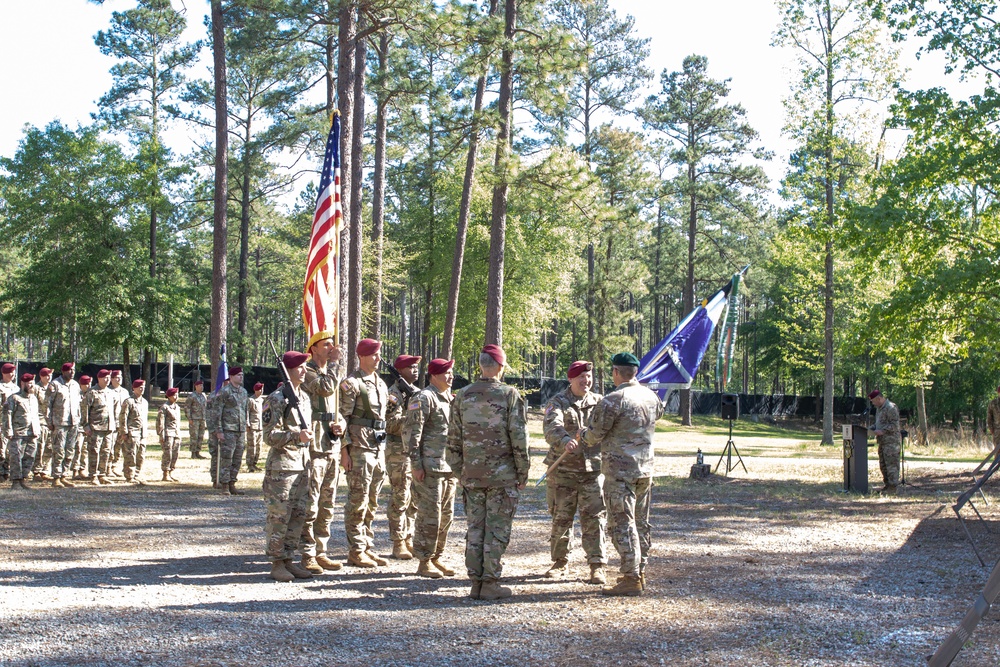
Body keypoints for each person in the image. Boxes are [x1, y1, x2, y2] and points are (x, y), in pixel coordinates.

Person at [447, 344, 529, 601]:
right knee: (496, 528)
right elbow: (519, 436)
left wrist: (460, 470)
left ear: (481, 366)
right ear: (501, 367)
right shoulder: (509, 394)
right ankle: (490, 582)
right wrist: (522, 471)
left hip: (472, 475)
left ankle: (476, 582)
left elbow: (452, 439)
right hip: (501, 477)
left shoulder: (463, 394)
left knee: (475, 529)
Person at [579, 352, 663, 597]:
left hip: (620, 472)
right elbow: (658, 416)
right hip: (644, 469)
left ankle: (630, 576)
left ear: (616, 372)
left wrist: (583, 434)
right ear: (634, 372)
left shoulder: (613, 400)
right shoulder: (651, 396)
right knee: (641, 522)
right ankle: (641, 568)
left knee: (622, 524)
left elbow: (594, 435)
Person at [542, 360, 607, 584]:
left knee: (595, 519)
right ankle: (560, 562)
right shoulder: (558, 401)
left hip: (592, 472)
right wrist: (565, 440)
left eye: (589, 377)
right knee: (561, 518)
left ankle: (597, 565)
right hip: (563, 473)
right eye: (581, 377)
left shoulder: (600, 402)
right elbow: (551, 427)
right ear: (571, 379)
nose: (586, 381)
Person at [262, 350, 315, 582]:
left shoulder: (304, 397)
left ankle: (289, 560)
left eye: (305, 367)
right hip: (282, 468)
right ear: (289, 370)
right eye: (300, 367)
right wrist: (296, 437)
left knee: (298, 515)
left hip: (302, 465)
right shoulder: (276, 399)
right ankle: (276, 563)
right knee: (279, 517)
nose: (304, 371)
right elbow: (269, 435)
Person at [339, 338, 390, 568]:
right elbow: (342, 418)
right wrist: (344, 451)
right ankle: (356, 550)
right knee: (357, 501)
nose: (378, 359)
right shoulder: (351, 383)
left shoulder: (380, 383)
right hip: (359, 449)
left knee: (372, 502)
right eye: (374, 355)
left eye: (379, 354)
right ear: (362, 356)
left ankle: (367, 545)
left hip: (378, 449)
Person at [299, 334, 347, 575]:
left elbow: (340, 407)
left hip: (332, 443)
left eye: (332, 344)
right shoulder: (307, 372)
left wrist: (342, 424)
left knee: (328, 503)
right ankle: (306, 553)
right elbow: (325, 389)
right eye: (326, 345)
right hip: (315, 445)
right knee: (312, 502)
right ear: (313, 349)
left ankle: (321, 550)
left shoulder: (333, 373)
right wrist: (336, 364)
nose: (331, 348)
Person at [405, 357, 457, 579]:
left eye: (451, 372)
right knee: (429, 515)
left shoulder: (449, 399)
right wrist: (416, 464)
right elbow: (412, 434)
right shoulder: (424, 398)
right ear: (434, 375)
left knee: (446, 516)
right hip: (429, 468)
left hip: (448, 467)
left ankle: (436, 556)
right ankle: (424, 560)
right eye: (446, 372)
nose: (451, 376)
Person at [386, 353, 421, 560]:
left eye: (417, 367)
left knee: (414, 498)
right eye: (411, 367)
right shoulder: (393, 394)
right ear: (400, 370)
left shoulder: (416, 392)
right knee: (400, 496)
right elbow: (389, 424)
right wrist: (412, 416)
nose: (415, 370)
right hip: (398, 452)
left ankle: (409, 536)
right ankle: (398, 541)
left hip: (414, 451)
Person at [207, 368, 249, 496]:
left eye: (242, 375)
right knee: (226, 458)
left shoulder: (244, 392)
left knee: (237, 458)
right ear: (231, 376)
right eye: (238, 375)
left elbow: (245, 409)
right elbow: (217, 412)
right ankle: (224, 485)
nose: (241, 377)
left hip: (240, 430)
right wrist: (219, 430)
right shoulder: (224, 392)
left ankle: (232, 483)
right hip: (228, 429)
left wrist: (246, 423)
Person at [4, 373, 41, 490]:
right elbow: (7, 415)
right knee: (16, 457)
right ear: (22, 383)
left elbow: (36, 415)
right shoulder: (14, 398)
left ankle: (24, 479)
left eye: (33, 383)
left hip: (32, 433)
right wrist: (8, 430)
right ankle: (15, 481)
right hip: (18, 433)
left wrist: (37, 429)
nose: (31, 385)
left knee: (30, 457)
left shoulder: (34, 398)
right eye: (29, 383)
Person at [47, 363, 82, 488]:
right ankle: (56, 477)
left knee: (70, 450)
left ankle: (64, 475)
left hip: (73, 422)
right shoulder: (55, 385)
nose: (72, 372)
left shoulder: (75, 385)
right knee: (59, 450)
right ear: (63, 371)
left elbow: (78, 404)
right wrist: (49, 422)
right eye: (69, 370)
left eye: (73, 370)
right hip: (59, 422)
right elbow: (48, 405)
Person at [82, 369, 116, 485]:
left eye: (109, 377)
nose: (107, 380)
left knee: (106, 452)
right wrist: (86, 426)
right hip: (95, 428)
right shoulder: (92, 392)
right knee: (94, 452)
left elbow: (114, 410)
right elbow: (84, 410)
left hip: (108, 428)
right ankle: (93, 475)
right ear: (99, 378)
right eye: (105, 378)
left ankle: (102, 474)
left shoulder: (110, 392)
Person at [869, 389, 902, 494]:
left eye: (873, 401)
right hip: (882, 442)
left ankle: (893, 487)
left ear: (879, 398)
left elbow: (895, 425)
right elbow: (879, 423)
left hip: (891, 442)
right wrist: (871, 429)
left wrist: (882, 431)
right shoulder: (880, 409)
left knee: (891, 465)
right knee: (883, 465)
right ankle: (887, 485)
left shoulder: (891, 408)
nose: (873, 404)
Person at [119, 379, 149, 484]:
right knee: (130, 455)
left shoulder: (144, 402)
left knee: (141, 456)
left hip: (142, 433)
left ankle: (137, 474)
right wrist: (124, 432)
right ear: (134, 388)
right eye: (140, 387)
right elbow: (123, 418)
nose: (142, 389)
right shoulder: (129, 401)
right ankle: (129, 476)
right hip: (132, 433)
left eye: (143, 387)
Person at [30, 368, 52, 481]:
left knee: (49, 447)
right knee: (40, 447)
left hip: (52, 422)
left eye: (50, 375)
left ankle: (45, 470)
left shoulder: (52, 388)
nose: (48, 377)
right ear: (41, 376)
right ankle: (36, 471)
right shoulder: (36, 388)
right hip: (40, 421)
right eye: (46, 375)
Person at [107, 370, 129, 477]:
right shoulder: (108, 391)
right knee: (109, 446)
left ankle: (114, 466)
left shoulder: (125, 392)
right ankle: (107, 467)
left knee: (119, 447)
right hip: (112, 423)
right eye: (116, 377)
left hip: (122, 424)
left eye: (120, 377)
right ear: (111, 379)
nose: (119, 379)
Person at [157, 387, 182, 482]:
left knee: (175, 453)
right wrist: (161, 434)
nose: (176, 397)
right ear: (169, 396)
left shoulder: (177, 407)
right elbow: (160, 422)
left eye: (177, 394)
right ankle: (165, 473)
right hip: (168, 433)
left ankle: (171, 471)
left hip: (176, 433)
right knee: (168, 453)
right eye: (174, 395)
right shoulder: (165, 407)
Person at [0, 362, 18, 482]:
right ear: (3, 373)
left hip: (14, 422)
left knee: (10, 449)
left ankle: (7, 471)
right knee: (1, 449)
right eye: (9, 372)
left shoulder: (16, 388)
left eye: (13, 372)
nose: (12, 374)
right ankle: (1, 472)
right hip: (2, 422)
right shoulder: (0, 387)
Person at [72, 375, 92, 479]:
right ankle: (75, 470)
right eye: (86, 384)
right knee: (77, 448)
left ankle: (82, 469)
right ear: (81, 385)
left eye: (89, 383)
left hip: (89, 427)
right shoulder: (76, 395)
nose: (88, 386)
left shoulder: (91, 395)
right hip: (79, 426)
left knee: (85, 449)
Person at [185, 379, 208, 459]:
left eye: (202, 385)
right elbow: (187, 407)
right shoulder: (192, 396)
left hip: (202, 419)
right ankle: (193, 453)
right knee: (194, 436)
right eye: (200, 386)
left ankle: (198, 452)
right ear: (196, 386)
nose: (202, 387)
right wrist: (189, 418)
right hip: (194, 419)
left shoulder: (203, 395)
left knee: (201, 436)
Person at [246, 382, 265, 472]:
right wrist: (247, 424)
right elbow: (246, 412)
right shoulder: (251, 400)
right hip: (252, 426)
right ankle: (250, 465)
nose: (261, 391)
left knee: (259, 446)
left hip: (260, 426)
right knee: (251, 446)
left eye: (262, 389)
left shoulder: (262, 400)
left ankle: (255, 463)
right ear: (256, 390)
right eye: (259, 389)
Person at [987, 386, 1000, 461]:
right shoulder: (993, 403)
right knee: (997, 448)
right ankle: (996, 465)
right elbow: (989, 417)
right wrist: (991, 429)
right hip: (997, 430)